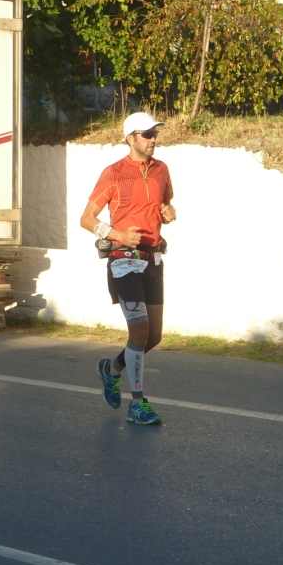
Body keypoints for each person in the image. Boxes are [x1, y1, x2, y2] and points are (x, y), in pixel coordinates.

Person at [79, 112, 176, 425]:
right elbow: (86, 219)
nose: (152, 139)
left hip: (153, 258)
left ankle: (111, 369)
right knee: (140, 331)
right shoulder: (114, 173)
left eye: (154, 134)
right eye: (146, 134)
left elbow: (162, 206)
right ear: (130, 138)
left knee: (153, 337)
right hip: (123, 259)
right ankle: (137, 403)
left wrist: (168, 212)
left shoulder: (162, 169)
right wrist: (118, 234)